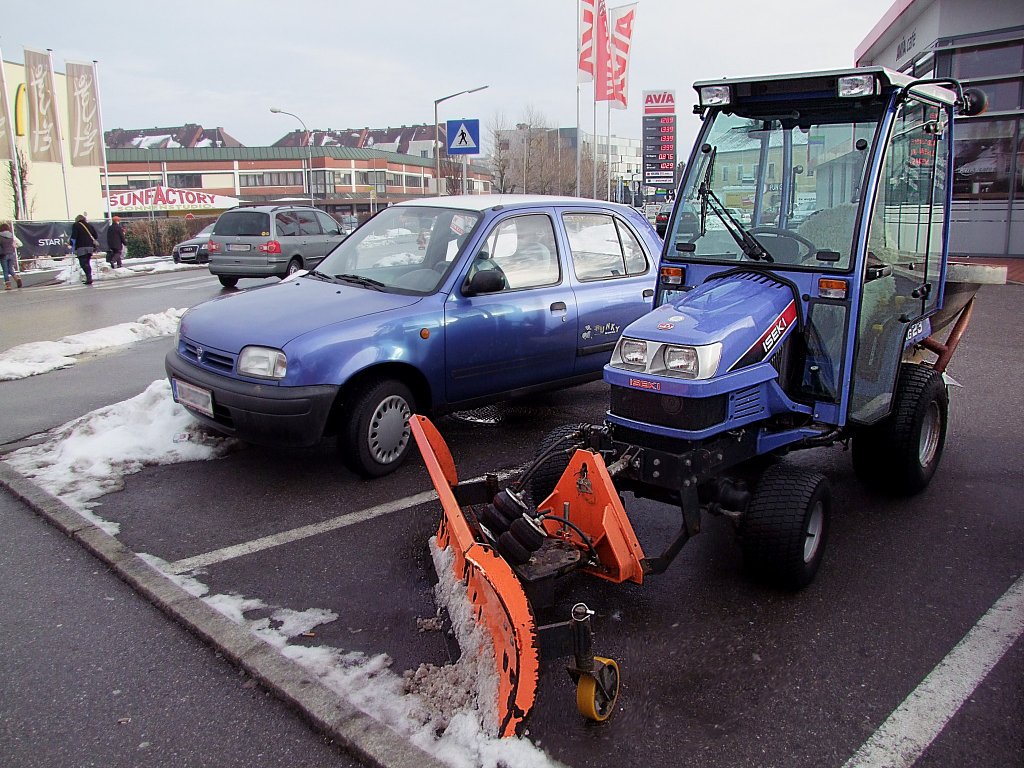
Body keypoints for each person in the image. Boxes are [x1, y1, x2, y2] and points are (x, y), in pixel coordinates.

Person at [71, 214, 99, 285]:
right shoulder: (90, 225)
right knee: (87, 262)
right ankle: (89, 277)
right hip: (90, 247)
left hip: (81, 247)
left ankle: (89, 278)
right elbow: (95, 236)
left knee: (83, 263)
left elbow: (74, 236)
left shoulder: (76, 225)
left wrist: (71, 244)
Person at [0, 222, 23, 289]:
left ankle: (8, 285)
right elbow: (19, 244)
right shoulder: (12, 235)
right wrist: (13, 246)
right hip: (12, 254)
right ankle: (17, 279)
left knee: (5, 271)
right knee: (10, 269)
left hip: (3, 255)